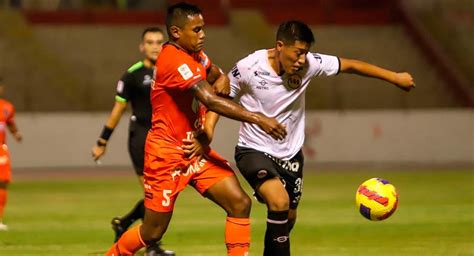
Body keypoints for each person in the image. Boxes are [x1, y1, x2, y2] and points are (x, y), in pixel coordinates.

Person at [106, 2, 287, 256]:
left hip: (194, 151)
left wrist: (222, 77)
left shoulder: (196, 55)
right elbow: (210, 99)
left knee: (239, 203)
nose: (203, 35)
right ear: (177, 32)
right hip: (166, 155)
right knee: (152, 232)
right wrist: (258, 118)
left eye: (203, 29)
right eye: (197, 30)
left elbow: (215, 74)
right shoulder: (173, 60)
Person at [228, 20, 415, 256]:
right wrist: (208, 129)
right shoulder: (248, 66)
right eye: (297, 53)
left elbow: (351, 65)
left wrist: (395, 77)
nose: (301, 59)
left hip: (291, 155)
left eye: (305, 53)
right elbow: (221, 98)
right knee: (279, 201)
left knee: (288, 217)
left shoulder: (311, 64)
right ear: (279, 46)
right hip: (253, 148)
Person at [91, 27, 175, 255]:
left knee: (165, 194)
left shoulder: (170, 71)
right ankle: (152, 247)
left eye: (159, 41)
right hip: (141, 139)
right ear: (142, 46)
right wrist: (102, 140)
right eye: (150, 42)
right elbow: (118, 110)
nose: (155, 46)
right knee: (155, 197)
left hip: (166, 141)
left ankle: (123, 223)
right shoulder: (132, 75)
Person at [0, 78, 23, 231]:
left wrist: (16, 133)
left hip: (1, 149)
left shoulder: (7, 107)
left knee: (3, 182)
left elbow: (10, 123)